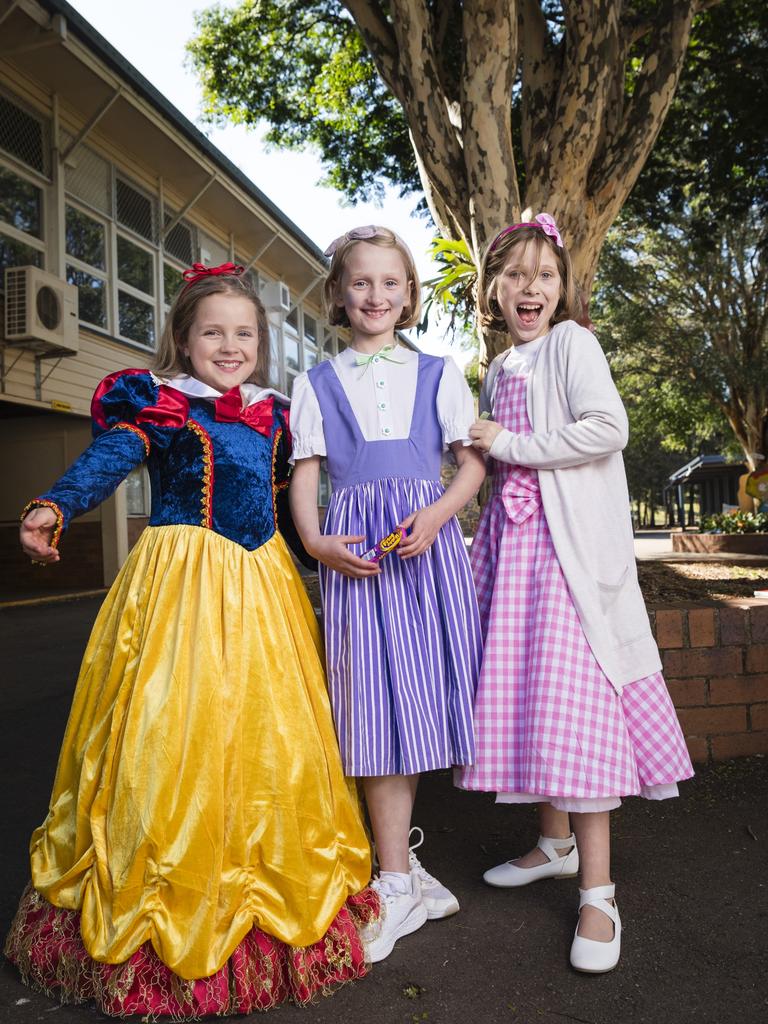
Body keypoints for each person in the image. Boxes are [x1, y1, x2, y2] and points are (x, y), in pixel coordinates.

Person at [4, 263, 377, 1017]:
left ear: (261, 345)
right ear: (183, 338)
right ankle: (163, 903)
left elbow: (285, 504)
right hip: (181, 584)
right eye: (213, 332)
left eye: (244, 333)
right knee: (171, 733)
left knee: (269, 738)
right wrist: (55, 504)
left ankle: (265, 889)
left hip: (264, 585)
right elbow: (111, 457)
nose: (229, 345)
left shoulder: (275, 416)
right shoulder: (164, 404)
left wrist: (328, 554)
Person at [456, 214, 694, 973]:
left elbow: (607, 428)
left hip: (565, 563)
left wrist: (512, 446)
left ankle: (599, 892)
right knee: (536, 701)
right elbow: (496, 468)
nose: (532, 288)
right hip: (514, 557)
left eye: (546, 276)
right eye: (517, 275)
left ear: (563, 289)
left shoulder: (572, 344)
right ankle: (554, 844)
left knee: (576, 708)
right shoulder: (498, 367)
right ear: (494, 289)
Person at [289, 226, 485, 963]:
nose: (376, 295)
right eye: (361, 283)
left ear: (411, 295)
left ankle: (404, 871)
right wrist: (315, 544)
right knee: (371, 709)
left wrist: (437, 517)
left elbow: (469, 468)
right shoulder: (314, 383)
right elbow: (306, 474)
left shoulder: (439, 371)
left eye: (391, 283)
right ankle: (398, 878)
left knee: (419, 705)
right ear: (339, 295)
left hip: (424, 550)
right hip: (356, 556)